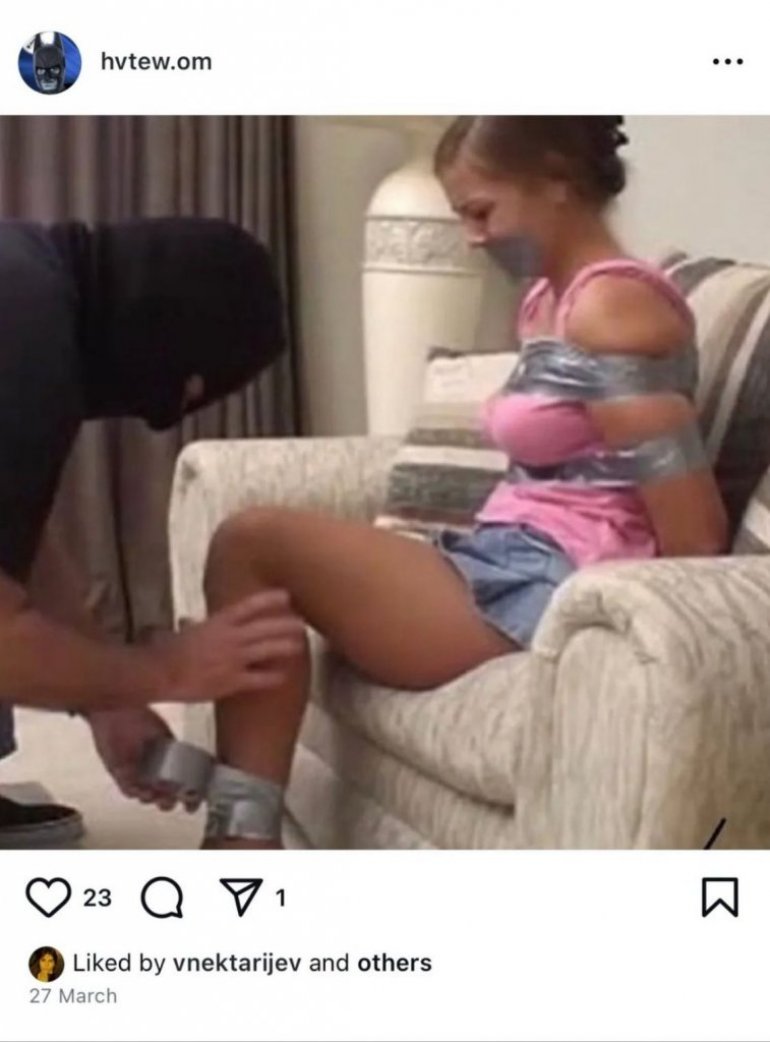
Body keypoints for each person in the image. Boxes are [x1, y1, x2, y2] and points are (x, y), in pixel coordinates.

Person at [183, 115, 729, 851]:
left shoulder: (615, 308)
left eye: (480, 211)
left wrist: (635, 645)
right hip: (502, 553)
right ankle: (242, 839)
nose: (473, 236)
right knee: (254, 552)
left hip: (550, 581)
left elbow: (695, 532)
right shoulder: (548, 300)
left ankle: (239, 845)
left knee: (254, 544)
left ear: (556, 183)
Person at [0, 216, 306, 846]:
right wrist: (162, 670)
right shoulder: (24, 345)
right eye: (183, 392)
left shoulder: (27, 280)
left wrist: (108, 701)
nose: (160, 412)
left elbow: (16, 545)